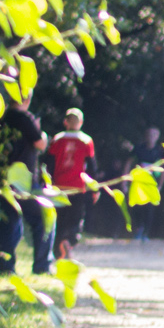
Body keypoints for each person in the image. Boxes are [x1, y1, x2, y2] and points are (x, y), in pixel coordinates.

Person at [0, 97, 52, 276]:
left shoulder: (1, 117)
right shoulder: (25, 118)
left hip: (2, 179)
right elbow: (40, 144)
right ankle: (42, 266)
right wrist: (39, 129)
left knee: (9, 220)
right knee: (44, 218)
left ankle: (5, 267)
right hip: (23, 181)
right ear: (27, 98)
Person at [48, 108, 96, 260]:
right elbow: (92, 167)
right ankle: (69, 241)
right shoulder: (86, 140)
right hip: (77, 187)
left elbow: (49, 163)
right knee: (75, 219)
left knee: (60, 219)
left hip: (59, 187)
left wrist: (47, 183)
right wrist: (95, 189)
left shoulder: (57, 139)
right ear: (81, 123)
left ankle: (59, 252)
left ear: (65, 122)